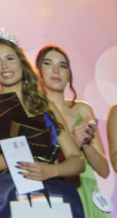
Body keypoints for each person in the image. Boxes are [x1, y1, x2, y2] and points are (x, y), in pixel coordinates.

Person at [0, 31, 85, 218]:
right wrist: (23, 159)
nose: (4, 66)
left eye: (10, 58)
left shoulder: (45, 106)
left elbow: (77, 161)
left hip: (51, 200)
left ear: (21, 61)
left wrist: (51, 170)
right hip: (7, 199)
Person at [35, 46, 110, 218]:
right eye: (48, 64)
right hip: (57, 194)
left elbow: (104, 170)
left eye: (62, 66)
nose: (56, 70)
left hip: (90, 194)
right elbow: (40, 167)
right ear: (38, 71)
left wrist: (86, 143)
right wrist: (73, 142)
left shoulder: (82, 110)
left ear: (69, 73)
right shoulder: (35, 114)